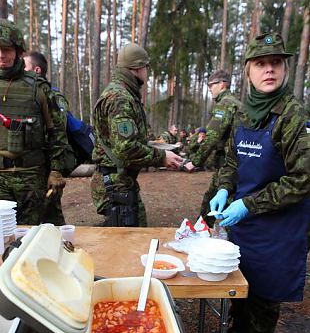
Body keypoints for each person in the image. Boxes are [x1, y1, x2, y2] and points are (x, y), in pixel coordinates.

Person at [209, 32, 310, 333]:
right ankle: (239, 329)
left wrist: (248, 204)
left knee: (266, 288)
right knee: (240, 277)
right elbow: (231, 159)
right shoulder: (242, 111)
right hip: (245, 219)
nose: (269, 70)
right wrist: (223, 187)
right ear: (248, 72)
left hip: (279, 223)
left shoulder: (294, 116)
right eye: (261, 64)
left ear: (284, 69)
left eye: (276, 63)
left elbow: (302, 179)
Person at [91, 43, 182, 226]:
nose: (147, 73)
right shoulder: (120, 98)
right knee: (126, 244)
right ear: (138, 68)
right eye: (146, 68)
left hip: (121, 182)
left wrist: (162, 147)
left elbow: (132, 140)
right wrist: (161, 158)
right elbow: (126, 148)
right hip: (115, 184)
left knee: (133, 234)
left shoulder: (125, 94)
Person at [0, 19, 68, 225]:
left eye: (7, 49)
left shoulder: (38, 87)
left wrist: (56, 170)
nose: (2, 55)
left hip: (31, 179)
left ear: (18, 51)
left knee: (32, 239)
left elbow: (57, 131)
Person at [23, 50, 74, 225]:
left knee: (51, 221)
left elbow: (59, 131)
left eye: (24, 66)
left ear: (36, 70)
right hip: (31, 169)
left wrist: (55, 169)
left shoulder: (52, 96)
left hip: (49, 167)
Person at [195, 70, 242, 225]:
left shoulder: (225, 104)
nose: (209, 88)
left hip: (227, 165)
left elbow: (212, 136)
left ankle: (200, 240)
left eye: (212, 84)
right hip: (238, 164)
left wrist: (195, 161)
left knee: (208, 209)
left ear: (222, 84)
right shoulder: (238, 103)